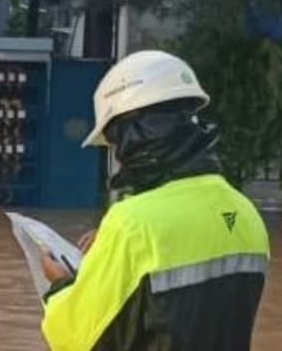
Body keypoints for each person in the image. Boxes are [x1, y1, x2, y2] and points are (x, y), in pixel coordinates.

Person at [40, 50, 270, 351]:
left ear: (137, 135)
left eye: (115, 142)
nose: (118, 156)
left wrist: (61, 285)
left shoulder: (132, 225)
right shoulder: (246, 213)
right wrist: (111, 250)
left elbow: (73, 340)